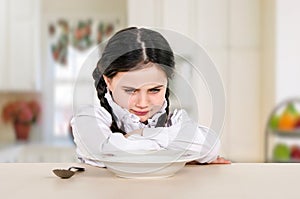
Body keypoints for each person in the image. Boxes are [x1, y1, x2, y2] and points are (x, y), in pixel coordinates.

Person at [71, 27, 230, 167]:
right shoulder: (89, 118)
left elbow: (209, 146)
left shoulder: (175, 120)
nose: (142, 103)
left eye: (154, 90)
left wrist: (136, 135)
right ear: (108, 82)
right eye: (130, 90)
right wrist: (174, 151)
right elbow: (106, 153)